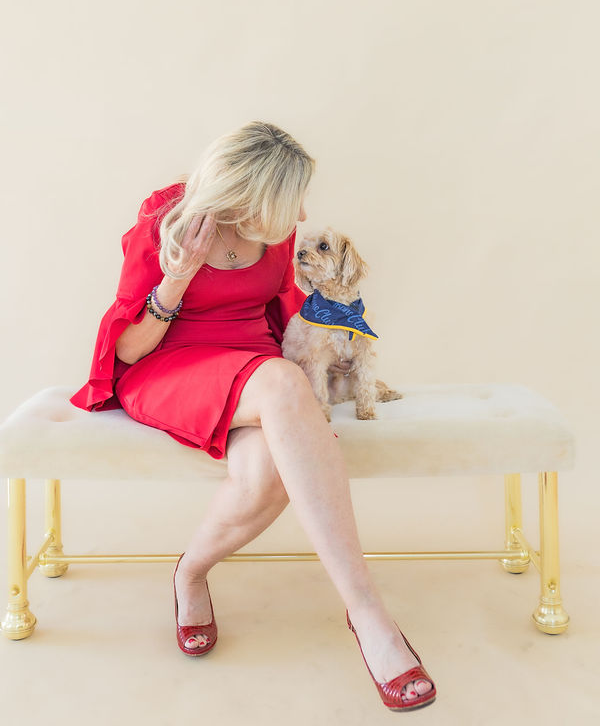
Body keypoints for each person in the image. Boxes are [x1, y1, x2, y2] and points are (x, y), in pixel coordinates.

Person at [70, 121, 436, 711]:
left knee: (267, 474)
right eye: (292, 199)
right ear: (250, 192)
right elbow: (130, 351)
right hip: (172, 366)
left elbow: (288, 313)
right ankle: (368, 612)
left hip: (256, 365)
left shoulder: (278, 232)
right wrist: (179, 277)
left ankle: (189, 573)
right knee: (284, 383)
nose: (302, 214)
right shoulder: (165, 218)